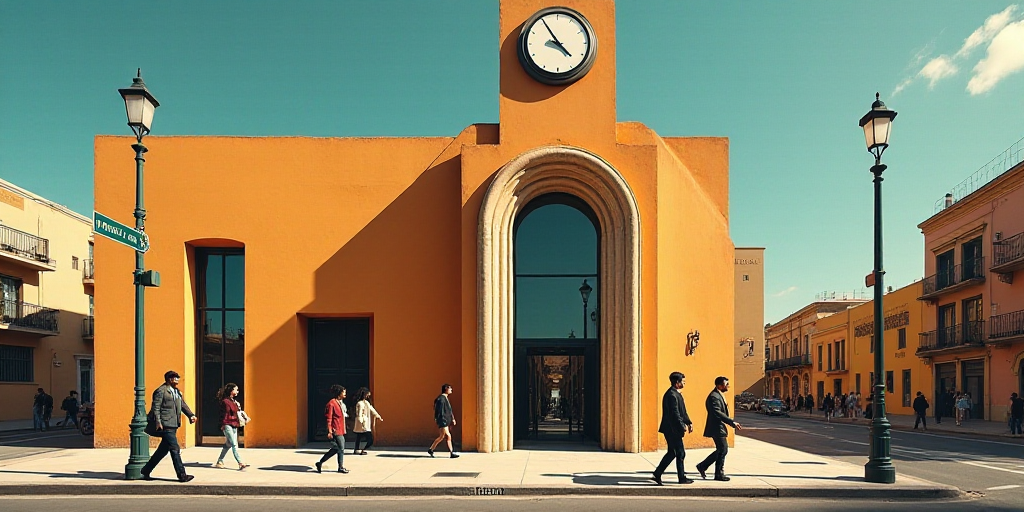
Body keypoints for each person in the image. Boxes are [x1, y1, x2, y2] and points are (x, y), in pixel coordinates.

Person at [141, 370, 198, 482]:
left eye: (177, 378)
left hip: (174, 424)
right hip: (165, 424)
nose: (177, 380)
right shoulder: (161, 391)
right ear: (169, 379)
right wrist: (158, 422)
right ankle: (182, 475)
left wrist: (190, 415)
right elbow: (155, 408)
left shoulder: (176, 392)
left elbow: (182, 405)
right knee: (174, 448)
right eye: (175, 378)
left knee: (162, 450)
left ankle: (146, 470)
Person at [695, 376, 742, 481]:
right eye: (726, 384)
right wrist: (731, 422)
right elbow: (717, 412)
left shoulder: (718, 395)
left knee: (722, 449)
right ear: (719, 385)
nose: (728, 386)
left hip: (719, 426)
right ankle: (718, 473)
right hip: (716, 426)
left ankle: (703, 466)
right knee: (723, 449)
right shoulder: (714, 396)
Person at [651, 372, 693, 485]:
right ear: (677, 383)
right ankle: (681, 478)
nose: (684, 383)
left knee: (673, 453)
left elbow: (682, 411)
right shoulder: (671, 395)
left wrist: (688, 422)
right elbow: (674, 413)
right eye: (683, 381)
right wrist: (681, 425)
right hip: (671, 429)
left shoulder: (676, 394)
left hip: (674, 428)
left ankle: (658, 473)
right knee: (680, 452)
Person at [213, 383, 249, 470]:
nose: (237, 391)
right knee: (234, 444)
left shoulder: (234, 401)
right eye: (236, 389)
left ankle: (220, 461)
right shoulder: (225, 402)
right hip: (227, 424)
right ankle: (240, 462)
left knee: (228, 444)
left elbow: (237, 413)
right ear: (231, 391)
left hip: (234, 424)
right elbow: (223, 414)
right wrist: (223, 425)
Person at [315, 385, 349, 473]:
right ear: (339, 393)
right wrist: (329, 431)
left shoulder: (340, 403)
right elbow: (329, 418)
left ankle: (320, 462)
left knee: (336, 448)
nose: (345, 394)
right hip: (335, 430)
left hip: (340, 429)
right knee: (341, 448)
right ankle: (340, 467)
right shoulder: (331, 404)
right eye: (343, 392)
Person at [429, 384, 459, 458]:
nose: (451, 389)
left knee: (441, 437)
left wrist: (452, 419)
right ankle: (451, 453)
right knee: (448, 436)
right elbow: (440, 411)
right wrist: (442, 420)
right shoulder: (441, 399)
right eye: (450, 388)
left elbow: (449, 410)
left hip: (445, 420)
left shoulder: (445, 398)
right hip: (443, 421)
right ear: (446, 389)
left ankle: (431, 449)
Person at [352, 387, 383, 455]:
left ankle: (359, 450)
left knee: (359, 437)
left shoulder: (366, 403)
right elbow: (359, 413)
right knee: (367, 438)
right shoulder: (360, 403)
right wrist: (361, 421)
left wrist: (378, 416)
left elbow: (372, 409)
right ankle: (359, 450)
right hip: (362, 423)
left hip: (365, 422)